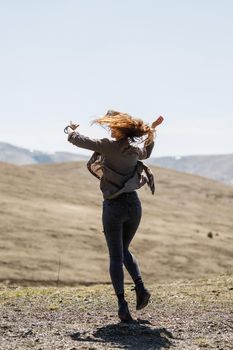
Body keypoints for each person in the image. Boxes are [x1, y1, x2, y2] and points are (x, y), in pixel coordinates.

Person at [65, 110, 164, 322]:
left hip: (113, 207)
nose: (110, 129)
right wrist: (152, 131)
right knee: (124, 249)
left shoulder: (107, 145)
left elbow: (78, 140)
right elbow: (147, 151)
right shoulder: (136, 150)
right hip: (134, 206)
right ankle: (141, 288)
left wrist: (72, 130)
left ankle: (122, 306)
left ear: (118, 130)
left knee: (115, 256)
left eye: (112, 127)